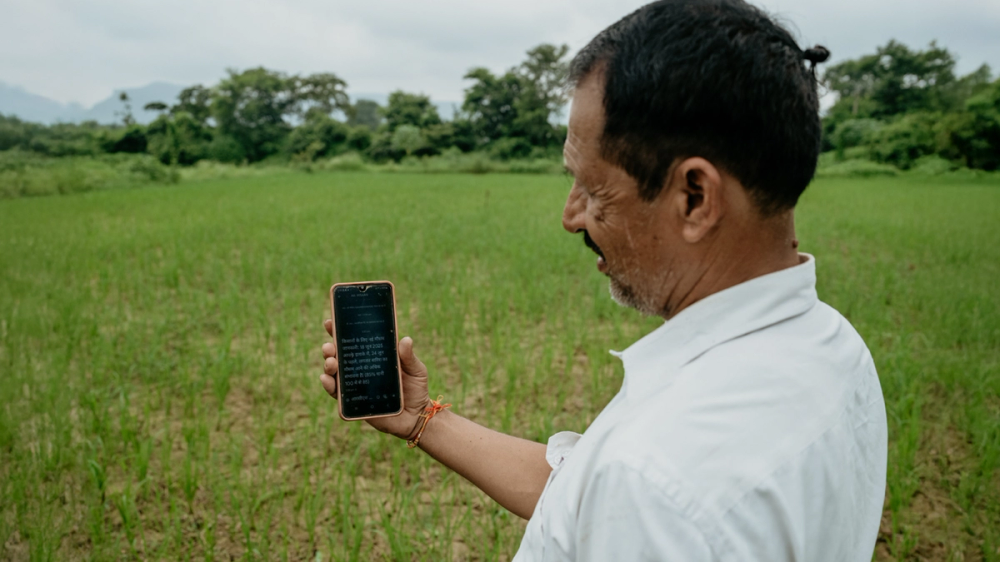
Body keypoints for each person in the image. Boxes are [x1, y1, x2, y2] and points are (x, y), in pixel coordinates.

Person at [321, 0, 888, 559]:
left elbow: (637, 494)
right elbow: (586, 499)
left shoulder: (654, 480)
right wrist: (421, 419)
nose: (570, 217)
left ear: (695, 197)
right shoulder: (835, 347)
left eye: (592, 189)